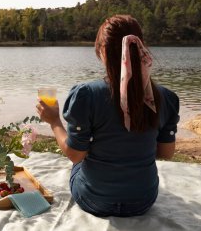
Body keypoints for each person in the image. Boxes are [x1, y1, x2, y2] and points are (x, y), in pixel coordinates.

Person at [36, 15, 180, 217]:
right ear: (140, 48)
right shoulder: (166, 98)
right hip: (143, 200)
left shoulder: (86, 95)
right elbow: (166, 153)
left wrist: (54, 122)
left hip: (95, 199)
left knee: (78, 168)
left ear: (102, 50)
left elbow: (76, 155)